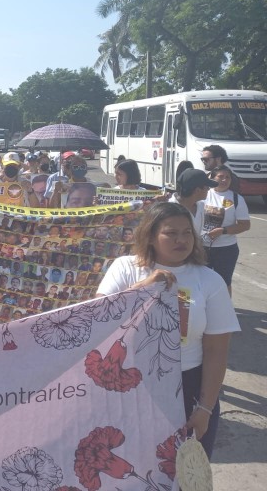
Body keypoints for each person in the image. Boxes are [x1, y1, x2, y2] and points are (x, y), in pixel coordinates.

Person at [96, 202, 239, 459]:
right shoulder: (125, 267)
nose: (181, 239)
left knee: (184, 472)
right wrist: (144, 287)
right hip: (130, 387)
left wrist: (205, 408)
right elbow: (100, 318)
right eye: (171, 233)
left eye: (186, 233)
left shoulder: (209, 280)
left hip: (189, 388)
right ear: (150, 236)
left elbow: (217, 351)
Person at [200, 165, 250, 295]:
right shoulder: (203, 194)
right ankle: (200, 309)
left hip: (226, 249)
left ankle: (225, 310)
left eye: (227, 177)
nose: (224, 180)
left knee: (224, 281)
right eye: (220, 176)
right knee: (199, 279)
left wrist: (223, 231)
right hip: (201, 247)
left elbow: (245, 225)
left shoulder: (236, 199)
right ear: (212, 177)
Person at [171, 169, 218, 233]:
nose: (209, 189)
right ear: (197, 190)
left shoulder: (201, 206)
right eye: (207, 187)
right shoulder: (169, 209)